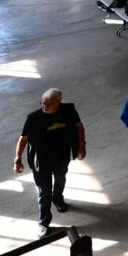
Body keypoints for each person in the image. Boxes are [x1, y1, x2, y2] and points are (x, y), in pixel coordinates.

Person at [14, 88, 86, 237]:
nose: (44, 107)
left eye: (48, 104)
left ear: (59, 102)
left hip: (61, 157)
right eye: (42, 103)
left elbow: (78, 126)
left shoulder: (68, 110)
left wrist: (81, 145)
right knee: (44, 192)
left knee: (60, 180)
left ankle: (58, 199)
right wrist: (17, 159)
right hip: (41, 162)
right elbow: (23, 139)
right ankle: (43, 223)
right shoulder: (33, 118)